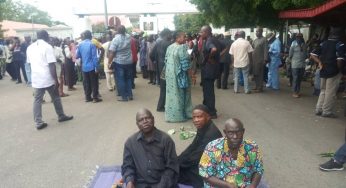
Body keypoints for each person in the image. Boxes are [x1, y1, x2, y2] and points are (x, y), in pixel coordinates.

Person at [26, 30, 73, 130]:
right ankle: (61, 116)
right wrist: (55, 80)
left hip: (36, 78)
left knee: (37, 100)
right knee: (55, 97)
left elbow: (29, 64)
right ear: (46, 36)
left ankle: (38, 122)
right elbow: (51, 65)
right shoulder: (47, 47)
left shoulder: (30, 48)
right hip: (47, 77)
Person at [122, 108, 179, 188]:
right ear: (137, 124)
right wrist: (129, 181)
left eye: (147, 118)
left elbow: (172, 167)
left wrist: (162, 185)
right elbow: (127, 166)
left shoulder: (166, 140)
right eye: (141, 120)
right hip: (140, 183)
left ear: (153, 119)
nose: (145, 121)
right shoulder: (130, 143)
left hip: (163, 183)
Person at [199, 118, 264, 188]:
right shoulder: (213, 147)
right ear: (225, 132)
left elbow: (258, 170)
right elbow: (204, 174)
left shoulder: (252, 147)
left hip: (244, 184)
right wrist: (227, 185)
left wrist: (253, 185)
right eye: (230, 133)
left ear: (243, 131)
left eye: (238, 132)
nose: (235, 136)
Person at [178, 104, 222, 188]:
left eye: (199, 117)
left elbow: (196, 157)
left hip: (210, 166)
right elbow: (192, 146)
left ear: (208, 117)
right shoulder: (203, 126)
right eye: (194, 117)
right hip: (201, 160)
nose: (196, 120)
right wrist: (179, 159)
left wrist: (178, 164)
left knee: (176, 173)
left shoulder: (211, 134)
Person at [310, 27, 345, 118]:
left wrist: (319, 62)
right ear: (339, 35)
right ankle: (327, 111)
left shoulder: (323, 43)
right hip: (333, 71)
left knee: (323, 91)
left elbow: (312, 54)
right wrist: (340, 71)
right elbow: (340, 61)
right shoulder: (340, 45)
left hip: (323, 70)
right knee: (330, 92)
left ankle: (319, 109)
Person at [164, 30, 193, 122]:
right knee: (181, 94)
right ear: (178, 38)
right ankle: (182, 115)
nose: (185, 38)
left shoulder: (170, 47)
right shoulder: (182, 47)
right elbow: (186, 61)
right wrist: (190, 49)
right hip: (179, 74)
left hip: (169, 74)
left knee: (171, 94)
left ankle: (171, 115)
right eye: (183, 37)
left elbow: (166, 60)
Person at [200, 25, 222, 119]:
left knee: (208, 91)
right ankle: (207, 108)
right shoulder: (215, 39)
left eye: (201, 32)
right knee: (208, 90)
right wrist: (216, 59)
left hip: (208, 70)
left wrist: (210, 58)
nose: (200, 34)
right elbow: (224, 48)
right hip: (213, 68)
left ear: (206, 32)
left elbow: (214, 49)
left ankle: (212, 112)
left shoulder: (209, 41)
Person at [108, 25, 133, 101]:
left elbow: (112, 52)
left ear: (117, 31)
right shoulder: (129, 37)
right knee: (128, 78)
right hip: (129, 61)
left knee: (121, 79)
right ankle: (130, 95)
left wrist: (109, 62)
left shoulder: (116, 39)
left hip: (119, 62)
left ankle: (124, 97)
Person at [76, 30, 102, 103]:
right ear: (90, 36)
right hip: (92, 67)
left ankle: (87, 97)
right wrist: (97, 67)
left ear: (84, 36)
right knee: (94, 82)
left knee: (87, 83)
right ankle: (95, 98)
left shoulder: (80, 45)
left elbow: (77, 55)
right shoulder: (92, 44)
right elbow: (94, 57)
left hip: (84, 67)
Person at [150, 29, 172, 112]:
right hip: (168, 68)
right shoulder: (169, 44)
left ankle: (161, 106)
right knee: (169, 87)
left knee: (163, 88)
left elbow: (151, 55)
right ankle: (163, 106)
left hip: (160, 68)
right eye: (170, 34)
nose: (171, 35)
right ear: (167, 34)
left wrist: (156, 62)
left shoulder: (158, 43)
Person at [288, 33, 307, 98]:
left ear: (302, 37)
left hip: (302, 64)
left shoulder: (304, 44)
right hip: (295, 64)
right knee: (295, 78)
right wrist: (289, 59)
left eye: (300, 37)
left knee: (299, 78)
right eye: (297, 37)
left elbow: (305, 54)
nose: (299, 38)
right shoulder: (293, 43)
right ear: (296, 38)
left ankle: (298, 91)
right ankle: (294, 92)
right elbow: (290, 53)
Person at [252, 27, 268, 92]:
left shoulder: (264, 40)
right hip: (254, 59)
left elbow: (265, 50)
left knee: (260, 74)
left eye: (258, 31)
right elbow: (252, 48)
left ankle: (260, 87)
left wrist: (265, 59)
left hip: (260, 59)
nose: (256, 33)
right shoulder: (255, 40)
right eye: (256, 31)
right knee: (255, 73)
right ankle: (256, 85)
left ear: (261, 32)